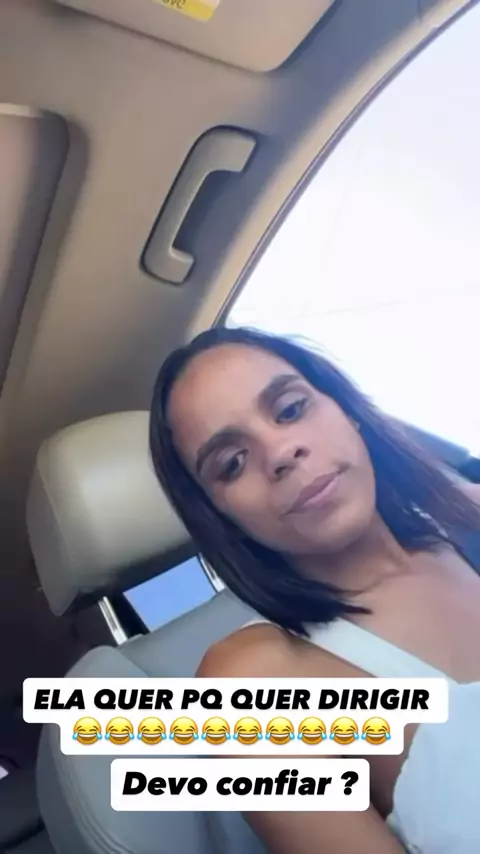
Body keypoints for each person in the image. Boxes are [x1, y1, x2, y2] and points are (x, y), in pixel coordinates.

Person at [149, 325, 480, 854]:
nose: (281, 451)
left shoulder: (466, 512)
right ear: (222, 517)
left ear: (345, 409)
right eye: (232, 464)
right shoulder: (253, 684)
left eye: (290, 409)